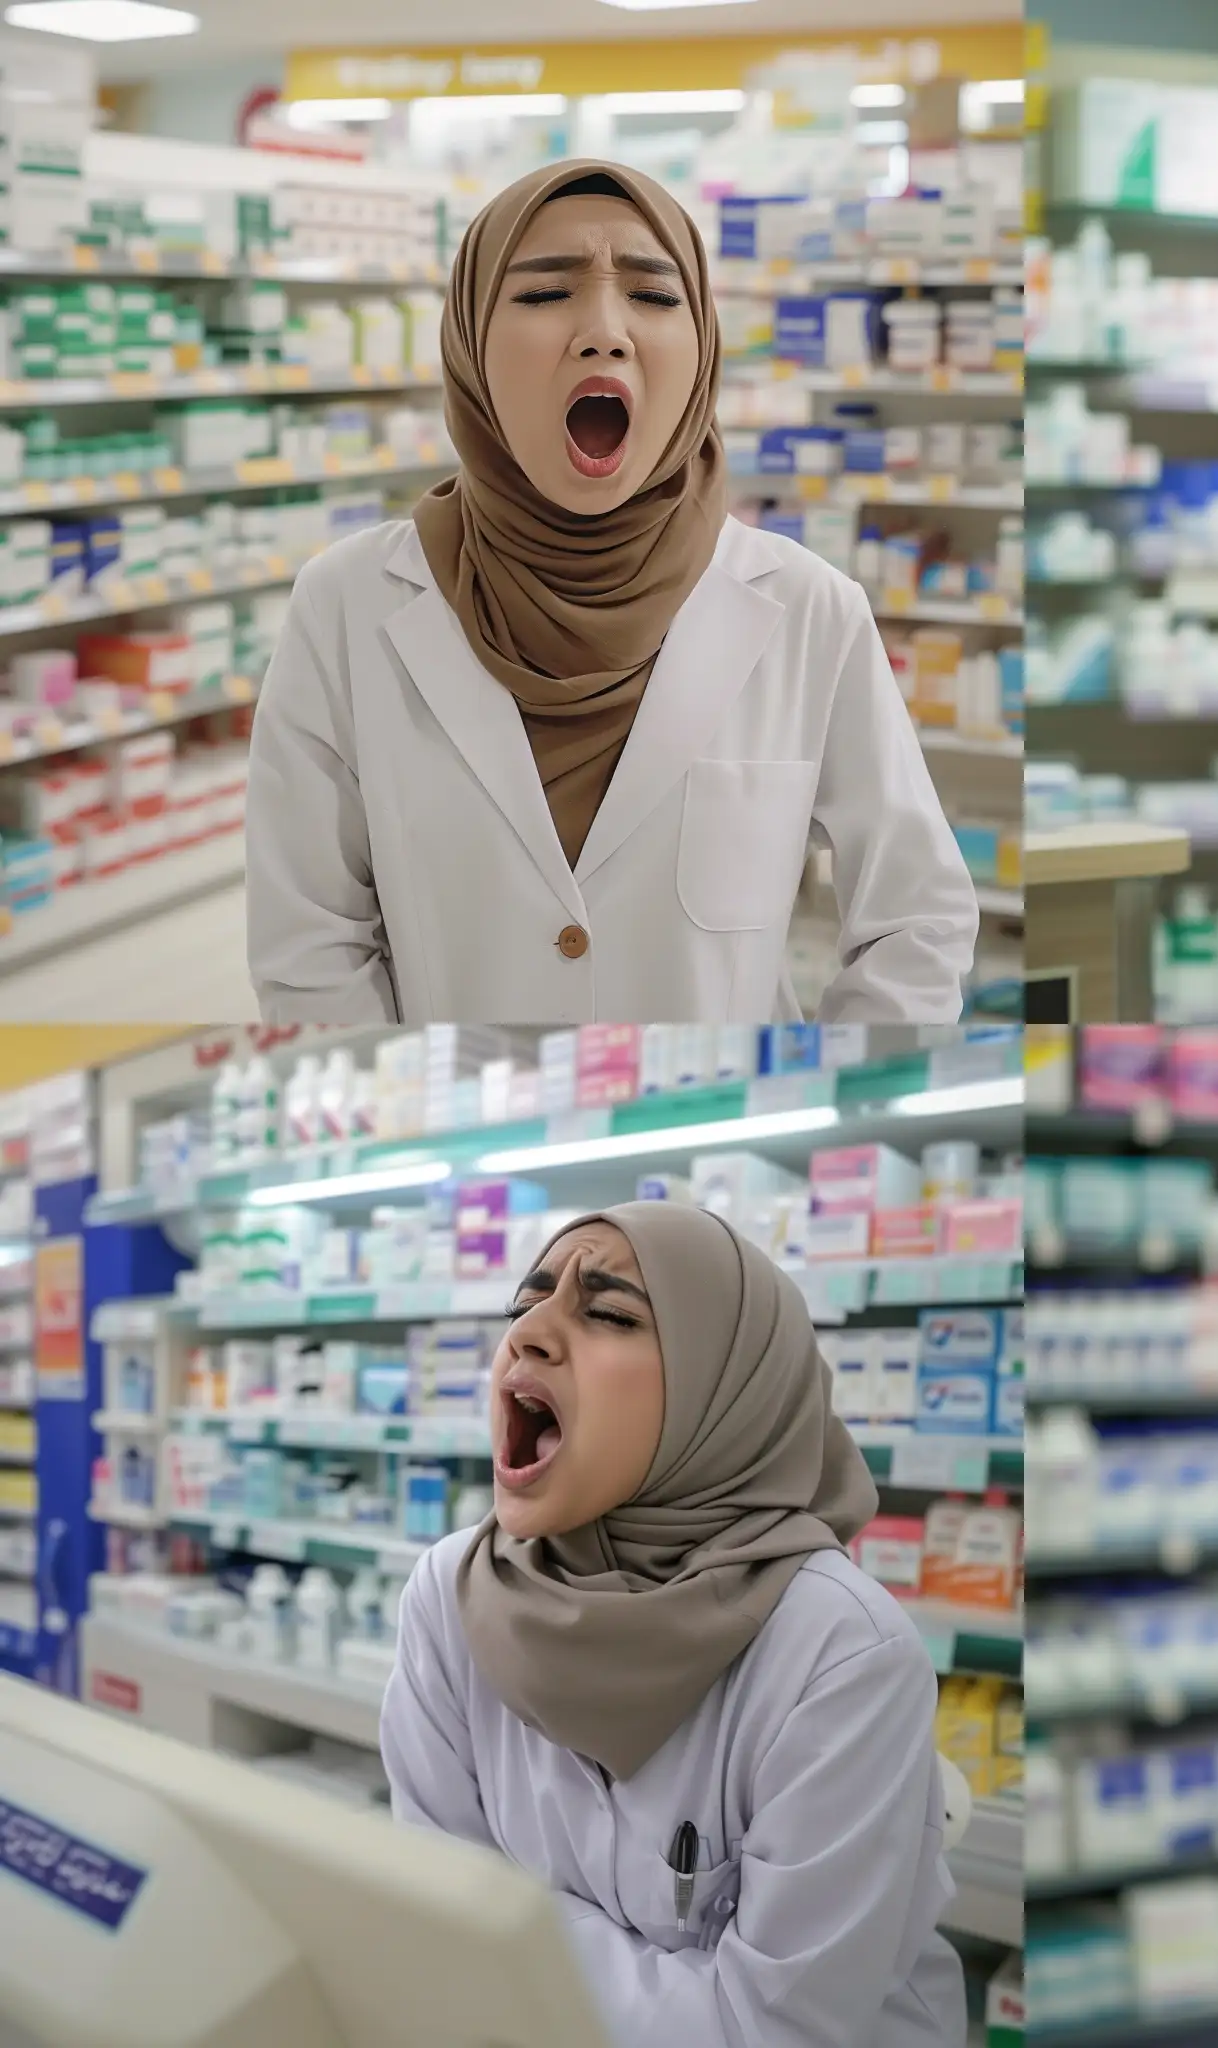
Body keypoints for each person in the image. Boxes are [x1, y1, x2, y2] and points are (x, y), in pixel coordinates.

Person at [246, 159, 979, 1024]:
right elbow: (307, 943)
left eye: (655, 297)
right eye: (544, 294)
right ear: (469, 345)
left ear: (703, 345)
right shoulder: (348, 605)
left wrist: (827, 1093)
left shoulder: (811, 612)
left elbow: (917, 920)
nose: (603, 331)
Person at [380, 1200, 968, 2048]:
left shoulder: (840, 1651)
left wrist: (502, 1936)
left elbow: (768, 2031)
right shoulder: (450, 1593)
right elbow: (431, 1921)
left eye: (611, 1313)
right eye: (524, 1304)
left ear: (724, 1393)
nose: (531, 1335)